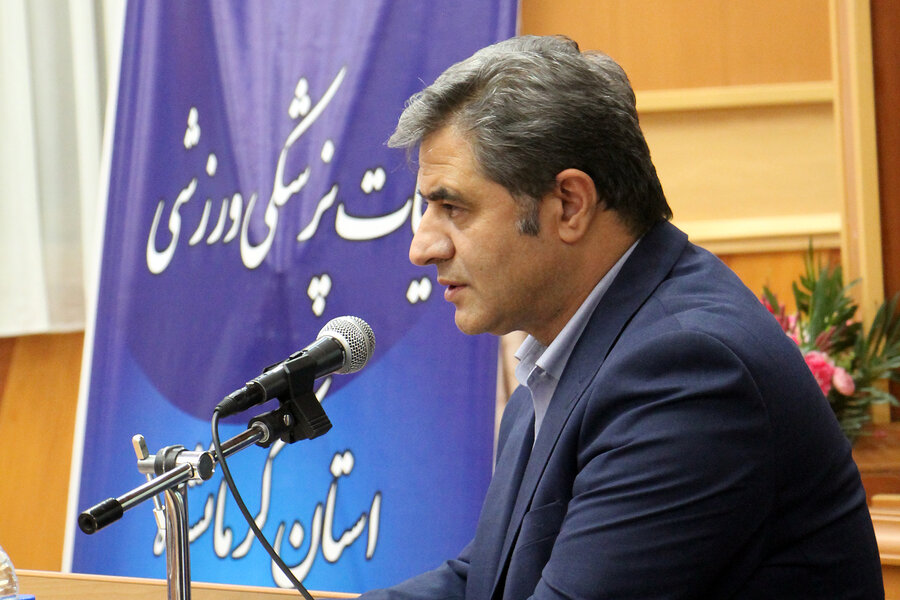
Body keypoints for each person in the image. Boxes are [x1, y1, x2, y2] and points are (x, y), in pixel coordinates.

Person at [362, 35, 884, 599]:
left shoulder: (686, 374)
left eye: (452, 207)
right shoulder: (569, 356)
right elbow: (484, 582)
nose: (422, 247)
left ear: (569, 204)